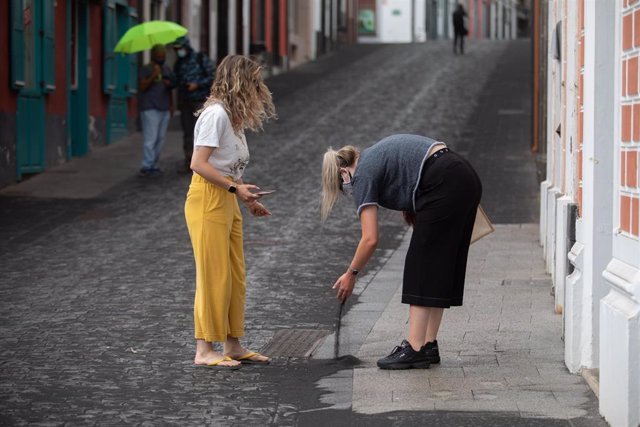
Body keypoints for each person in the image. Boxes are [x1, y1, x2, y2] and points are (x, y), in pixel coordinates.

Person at [321, 134, 482, 370]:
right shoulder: (374, 157)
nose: (349, 192)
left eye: (343, 188)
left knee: (420, 265)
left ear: (344, 173)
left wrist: (351, 273)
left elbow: (370, 239)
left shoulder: (362, 173)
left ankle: (415, 348)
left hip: (443, 181)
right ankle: (428, 345)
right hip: (462, 175)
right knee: (438, 265)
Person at [185, 55, 277, 368]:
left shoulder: (233, 119)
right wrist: (235, 190)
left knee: (235, 276)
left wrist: (247, 198)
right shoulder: (216, 115)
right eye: (254, 83)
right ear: (239, 83)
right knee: (213, 276)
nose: (258, 89)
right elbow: (198, 164)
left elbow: (229, 167)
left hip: (225, 198)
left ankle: (232, 344)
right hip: (207, 199)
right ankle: (204, 349)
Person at [172, 37, 216, 172]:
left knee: (202, 132)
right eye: (176, 49)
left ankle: (204, 161)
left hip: (200, 101)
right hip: (185, 101)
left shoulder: (200, 59)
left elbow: (213, 76)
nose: (179, 51)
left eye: (180, 48)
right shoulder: (178, 63)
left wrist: (197, 84)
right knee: (187, 132)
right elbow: (176, 80)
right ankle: (189, 160)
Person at [138, 44, 175, 177]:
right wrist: (153, 75)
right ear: (154, 55)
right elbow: (142, 86)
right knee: (151, 138)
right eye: (159, 55)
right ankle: (146, 165)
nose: (161, 58)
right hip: (150, 108)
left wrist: (171, 105)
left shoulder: (166, 69)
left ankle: (155, 164)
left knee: (160, 138)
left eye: (163, 55)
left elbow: (170, 88)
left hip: (164, 107)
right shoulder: (146, 68)